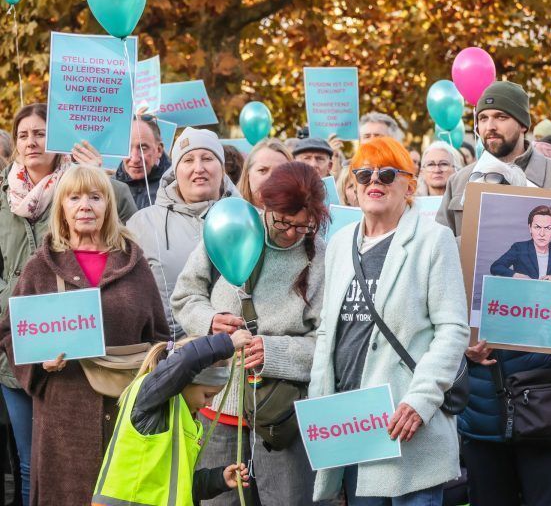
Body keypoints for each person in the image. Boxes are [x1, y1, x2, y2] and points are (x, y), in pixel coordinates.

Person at [309, 136, 469, 504]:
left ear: (409, 186)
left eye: (386, 174)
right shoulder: (340, 243)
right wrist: (320, 402)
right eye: (364, 174)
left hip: (407, 421)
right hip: (353, 423)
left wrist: (420, 401)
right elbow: (327, 331)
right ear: (353, 186)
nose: (374, 182)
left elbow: (452, 329)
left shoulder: (434, 240)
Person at [0, 165, 169, 505]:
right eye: (74, 198)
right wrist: (39, 364)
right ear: (61, 207)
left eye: (95, 197)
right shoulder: (41, 266)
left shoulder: (134, 264)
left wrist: (146, 380)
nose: (85, 206)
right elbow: (9, 333)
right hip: (63, 416)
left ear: (108, 205)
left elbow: (159, 336)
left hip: (125, 413)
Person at [0, 103, 136, 506]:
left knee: (81, 461)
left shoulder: (80, 186)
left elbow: (122, 233)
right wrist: (9, 306)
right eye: (23, 135)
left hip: (78, 346)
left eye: (40, 133)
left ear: (57, 139)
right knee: (30, 463)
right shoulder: (3, 195)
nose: (31, 142)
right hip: (20, 344)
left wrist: (102, 179)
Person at [172, 161, 329, 506]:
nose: (291, 233)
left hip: (281, 417)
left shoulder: (321, 257)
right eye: (283, 221)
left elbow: (328, 341)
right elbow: (184, 297)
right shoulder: (232, 228)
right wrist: (211, 321)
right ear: (265, 204)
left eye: (303, 226)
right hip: (217, 405)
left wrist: (274, 352)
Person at [92, 332, 253, 506]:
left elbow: (178, 486)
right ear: (184, 381)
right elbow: (185, 361)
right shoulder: (149, 399)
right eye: (207, 395)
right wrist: (227, 343)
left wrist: (218, 479)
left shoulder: (185, 422)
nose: (209, 403)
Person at [127, 128, 237, 339]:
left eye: (207, 158)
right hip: (171, 353)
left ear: (222, 168)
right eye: (188, 160)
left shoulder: (249, 219)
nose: (199, 168)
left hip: (240, 352)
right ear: (175, 172)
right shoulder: (142, 224)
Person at [436, 82, 551, 238]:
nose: (490, 126)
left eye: (501, 117)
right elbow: (439, 246)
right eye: (483, 118)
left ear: (523, 125)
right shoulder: (458, 182)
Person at [490, 205, 551, 282]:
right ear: (530, 228)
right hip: (523, 291)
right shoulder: (519, 248)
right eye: (537, 227)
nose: (542, 234)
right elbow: (496, 267)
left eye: (547, 228)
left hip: (550, 292)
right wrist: (516, 275)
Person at [115, 114, 172, 209]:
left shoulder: (177, 186)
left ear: (159, 150)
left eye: (143, 148)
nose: (135, 159)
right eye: (127, 148)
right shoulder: (108, 188)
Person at [238, 138, 292, 210]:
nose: (270, 178)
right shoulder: (231, 212)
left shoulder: (303, 215)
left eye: (280, 171)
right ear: (248, 173)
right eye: (262, 170)